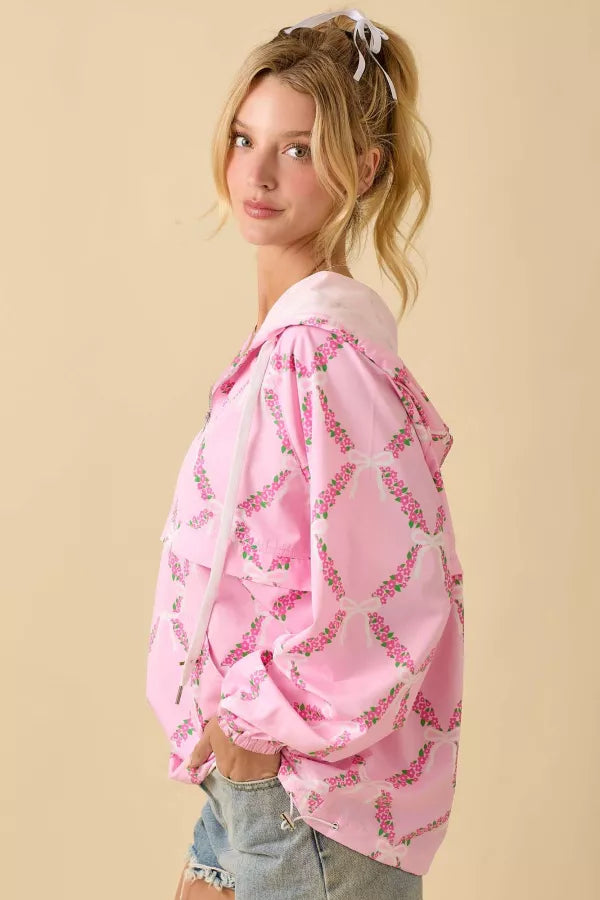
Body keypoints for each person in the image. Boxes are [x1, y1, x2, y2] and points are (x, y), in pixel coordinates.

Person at [146, 9, 465, 899]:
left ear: (363, 170)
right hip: (247, 786)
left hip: (305, 801)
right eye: (245, 138)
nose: (256, 173)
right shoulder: (285, 347)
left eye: (297, 149)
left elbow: (394, 587)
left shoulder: (319, 355)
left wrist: (255, 731)